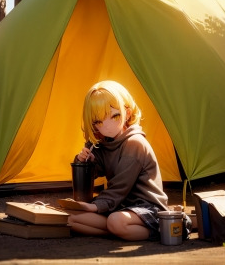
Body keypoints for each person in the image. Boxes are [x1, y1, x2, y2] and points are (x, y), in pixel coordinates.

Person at [68, 80, 169, 241]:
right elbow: (90, 179)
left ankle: (164, 229)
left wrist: (95, 206)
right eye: (98, 121)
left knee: (116, 221)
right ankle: (117, 232)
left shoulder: (135, 143)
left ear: (127, 113)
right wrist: (84, 163)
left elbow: (120, 187)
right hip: (119, 206)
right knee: (69, 218)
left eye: (114, 116)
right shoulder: (101, 144)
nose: (107, 126)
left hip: (145, 207)